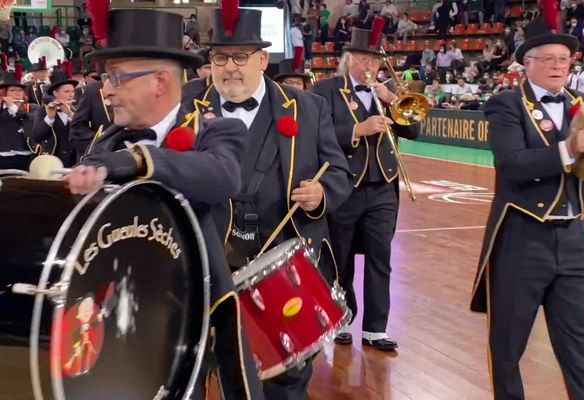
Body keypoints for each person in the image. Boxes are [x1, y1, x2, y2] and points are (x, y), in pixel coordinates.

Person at [64, 8, 263, 400]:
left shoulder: (216, 129)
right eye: (107, 78)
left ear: (159, 81)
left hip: (193, 323)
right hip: (120, 328)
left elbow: (222, 175)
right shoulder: (105, 143)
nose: (107, 91)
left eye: (116, 77)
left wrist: (136, 161)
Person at [194, 4, 352, 399]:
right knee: (228, 375)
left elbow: (338, 172)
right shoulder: (187, 106)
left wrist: (320, 195)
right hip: (215, 266)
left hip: (290, 266)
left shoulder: (309, 107)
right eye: (219, 57)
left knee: (290, 380)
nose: (229, 67)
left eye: (240, 57)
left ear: (262, 60)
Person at [470, 12, 584, 400]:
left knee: (580, 343)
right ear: (527, 64)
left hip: (576, 237)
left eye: (564, 59)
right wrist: (568, 149)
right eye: (549, 59)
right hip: (522, 237)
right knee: (508, 346)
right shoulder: (505, 104)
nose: (559, 66)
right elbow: (511, 165)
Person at [312, 18, 420, 352]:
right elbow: (320, 135)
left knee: (380, 256)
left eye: (374, 60)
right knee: (340, 256)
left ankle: (375, 328)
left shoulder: (387, 92)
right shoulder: (326, 90)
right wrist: (358, 130)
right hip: (345, 187)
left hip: (384, 187)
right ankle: (342, 318)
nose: (369, 66)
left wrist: (391, 100)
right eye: (363, 59)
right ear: (348, 60)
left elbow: (414, 131)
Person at [31, 69, 78, 167]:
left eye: (72, 91)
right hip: (52, 160)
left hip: (75, 160)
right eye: (66, 91)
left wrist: (70, 114)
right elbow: (37, 137)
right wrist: (49, 118)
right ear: (56, 93)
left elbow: (82, 132)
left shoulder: (76, 110)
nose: (71, 94)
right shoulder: (43, 110)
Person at [0, 71, 37, 170]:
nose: (17, 93)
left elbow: (29, 119)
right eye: (12, 90)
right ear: (4, 93)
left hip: (28, 156)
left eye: (20, 90)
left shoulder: (32, 108)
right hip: (4, 157)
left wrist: (13, 107)